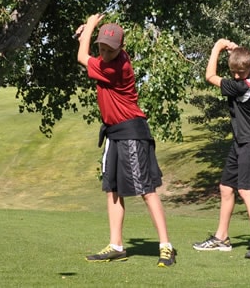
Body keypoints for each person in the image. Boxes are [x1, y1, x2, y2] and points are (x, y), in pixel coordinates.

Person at [74, 14, 176, 267]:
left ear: (120, 49)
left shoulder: (117, 67)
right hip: (113, 133)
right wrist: (86, 35)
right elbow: (86, 50)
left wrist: (89, 28)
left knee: (145, 189)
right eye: (101, 47)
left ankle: (166, 246)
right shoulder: (105, 59)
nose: (104, 53)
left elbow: (80, 57)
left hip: (132, 132)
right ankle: (116, 245)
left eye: (109, 49)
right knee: (113, 190)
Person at [191, 39, 250, 260]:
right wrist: (235, 50)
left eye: (239, 72)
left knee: (245, 189)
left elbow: (209, 76)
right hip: (240, 140)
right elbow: (245, 63)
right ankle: (222, 238)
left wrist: (217, 48)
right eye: (233, 71)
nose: (236, 75)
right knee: (226, 187)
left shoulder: (242, 85)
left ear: (247, 68)